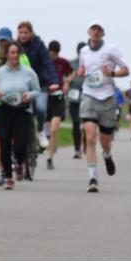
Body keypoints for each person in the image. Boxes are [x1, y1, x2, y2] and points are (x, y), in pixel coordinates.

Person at [76, 21, 130, 193]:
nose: (96, 32)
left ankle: (107, 155)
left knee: (104, 141)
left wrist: (112, 73)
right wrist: (81, 72)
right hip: (89, 96)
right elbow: (82, 69)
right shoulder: (83, 51)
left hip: (106, 98)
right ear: (88, 31)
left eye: (99, 30)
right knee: (90, 137)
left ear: (103, 33)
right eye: (93, 29)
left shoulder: (111, 49)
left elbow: (126, 70)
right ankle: (93, 178)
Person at [0, 41, 40, 191]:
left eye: (17, 52)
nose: (15, 55)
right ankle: (9, 177)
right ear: (7, 55)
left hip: (22, 110)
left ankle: (20, 162)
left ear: (20, 54)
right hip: (4, 109)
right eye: (12, 52)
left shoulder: (28, 72)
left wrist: (30, 95)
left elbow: (37, 90)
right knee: (4, 142)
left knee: (20, 145)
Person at [0, 27, 30, 186]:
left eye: (6, 40)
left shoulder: (22, 57)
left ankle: (17, 161)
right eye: (1, 40)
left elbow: (27, 75)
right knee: (0, 140)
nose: (3, 43)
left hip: (18, 104)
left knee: (16, 140)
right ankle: (4, 172)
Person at [16, 21, 61, 149]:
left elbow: (48, 63)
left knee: (41, 108)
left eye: (26, 32)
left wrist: (54, 81)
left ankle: (41, 131)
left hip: (40, 84)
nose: (23, 35)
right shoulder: (15, 46)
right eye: (21, 33)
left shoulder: (39, 45)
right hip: (21, 85)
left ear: (31, 33)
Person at [46, 40, 73, 170]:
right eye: (51, 54)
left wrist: (67, 81)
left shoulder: (63, 62)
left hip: (59, 98)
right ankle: (49, 144)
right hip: (45, 98)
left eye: (55, 54)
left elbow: (72, 72)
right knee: (46, 131)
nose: (53, 56)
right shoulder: (44, 61)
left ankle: (49, 158)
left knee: (54, 129)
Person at [67, 41, 86, 159]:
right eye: (81, 52)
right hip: (73, 98)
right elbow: (66, 79)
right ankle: (77, 149)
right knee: (76, 123)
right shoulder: (71, 64)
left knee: (86, 124)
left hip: (86, 97)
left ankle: (86, 145)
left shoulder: (90, 64)